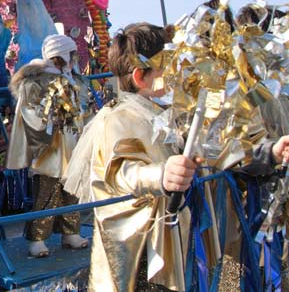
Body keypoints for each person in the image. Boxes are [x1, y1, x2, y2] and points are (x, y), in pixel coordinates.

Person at [63, 23, 197, 291]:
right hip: (140, 252)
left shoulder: (161, 113)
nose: (175, 74)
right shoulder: (118, 118)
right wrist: (161, 175)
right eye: (167, 67)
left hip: (169, 238)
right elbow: (120, 171)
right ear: (140, 77)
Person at [5, 35, 88, 258]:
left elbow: (79, 109)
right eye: (71, 55)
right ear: (61, 55)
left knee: (72, 191)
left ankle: (71, 232)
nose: (74, 60)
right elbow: (28, 112)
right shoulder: (36, 80)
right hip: (49, 147)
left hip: (70, 144)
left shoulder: (72, 80)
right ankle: (37, 237)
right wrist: (50, 119)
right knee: (47, 193)